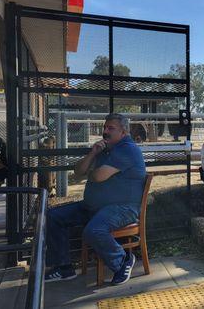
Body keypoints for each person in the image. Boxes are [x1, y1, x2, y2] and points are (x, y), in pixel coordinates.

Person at [44, 114, 146, 285]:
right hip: (95, 207)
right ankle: (64, 268)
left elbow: (98, 176)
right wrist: (92, 154)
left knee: (93, 231)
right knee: (53, 216)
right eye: (104, 127)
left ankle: (123, 260)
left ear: (124, 131)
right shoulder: (104, 149)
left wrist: (90, 173)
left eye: (110, 128)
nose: (105, 131)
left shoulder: (128, 149)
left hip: (122, 209)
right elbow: (78, 171)